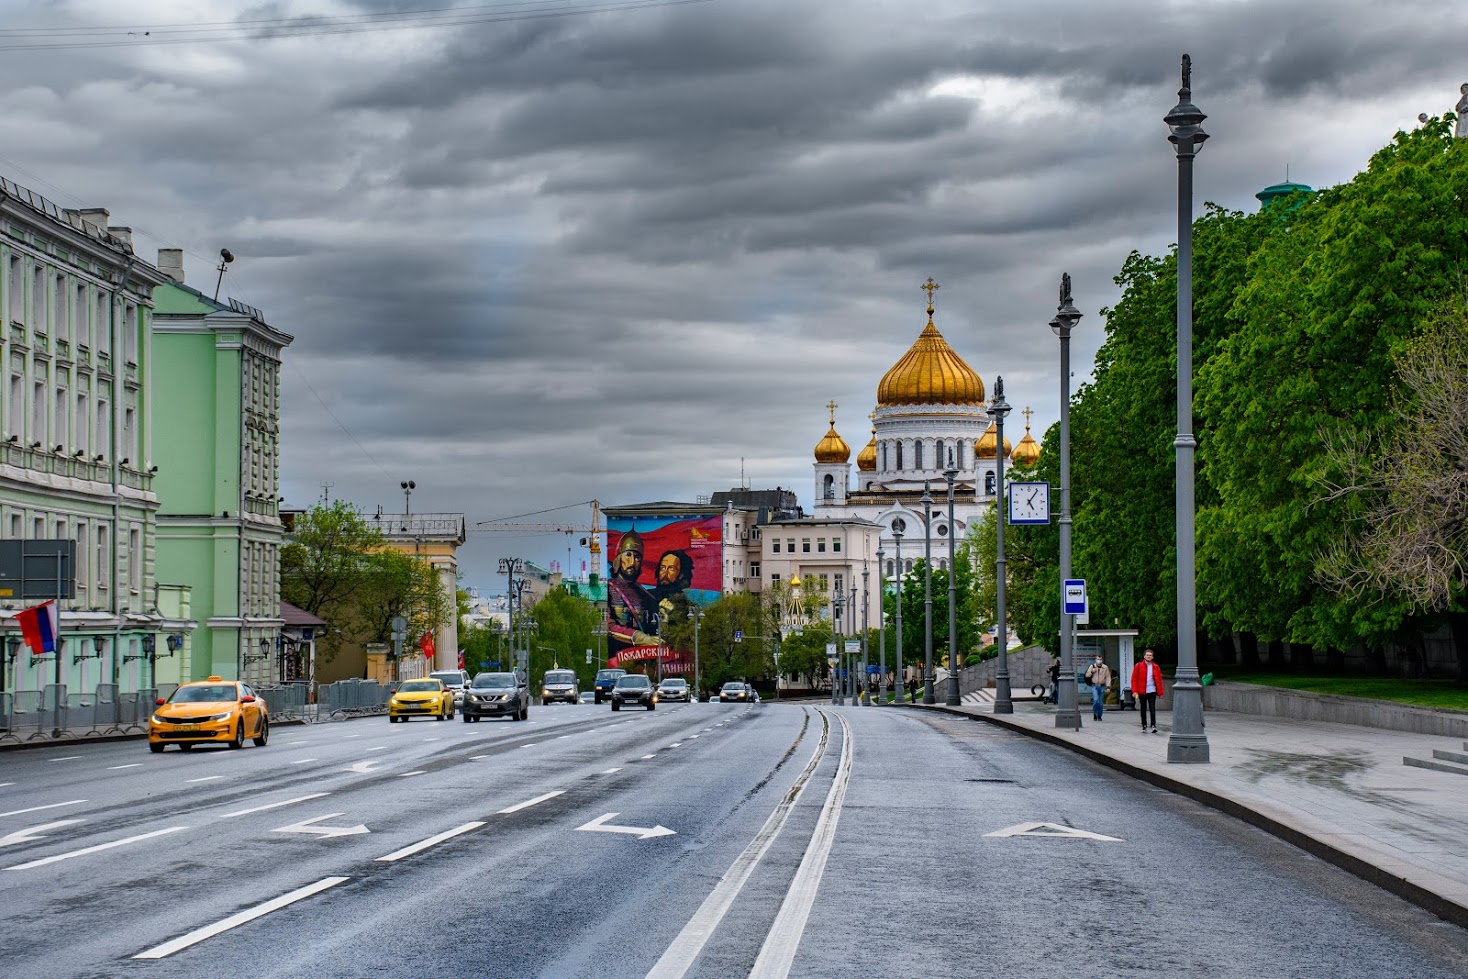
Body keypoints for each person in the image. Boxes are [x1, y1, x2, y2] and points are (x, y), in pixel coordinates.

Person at [607, 529, 660, 649]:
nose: (632, 562)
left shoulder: (646, 595)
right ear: (619, 558)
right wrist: (638, 637)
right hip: (618, 653)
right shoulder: (609, 589)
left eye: (637, 557)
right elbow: (608, 626)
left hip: (643, 656)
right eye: (628, 555)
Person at [1130, 648, 1165, 734]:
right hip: (1142, 691)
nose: (1148, 656)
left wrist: (1160, 692)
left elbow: (1159, 680)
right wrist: (1134, 691)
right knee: (1143, 709)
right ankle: (1144, 725)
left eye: (1150, 655)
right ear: (1144, 656)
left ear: (1152, 657)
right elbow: (1134, 679)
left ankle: (1153, 725)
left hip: (1152, 690)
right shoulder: (1138, 666)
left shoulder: (1155, 667)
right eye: (1147, 655)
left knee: (1152, 708)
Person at [1083, 653, 1112, 722]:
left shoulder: (1105, 667)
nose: (1099, 661)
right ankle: (1095, 714)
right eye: (1097, 659)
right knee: (1096, 700)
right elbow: (1087, 675)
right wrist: (1092, 672)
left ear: (1102, 660)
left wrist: (1108, 686)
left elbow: (1108, 677)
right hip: (1094, 685)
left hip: (1102, 686)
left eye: (1100, 659)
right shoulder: (1092, 666)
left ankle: (1099, 715)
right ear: (1095, 660)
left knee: (1100, 702)